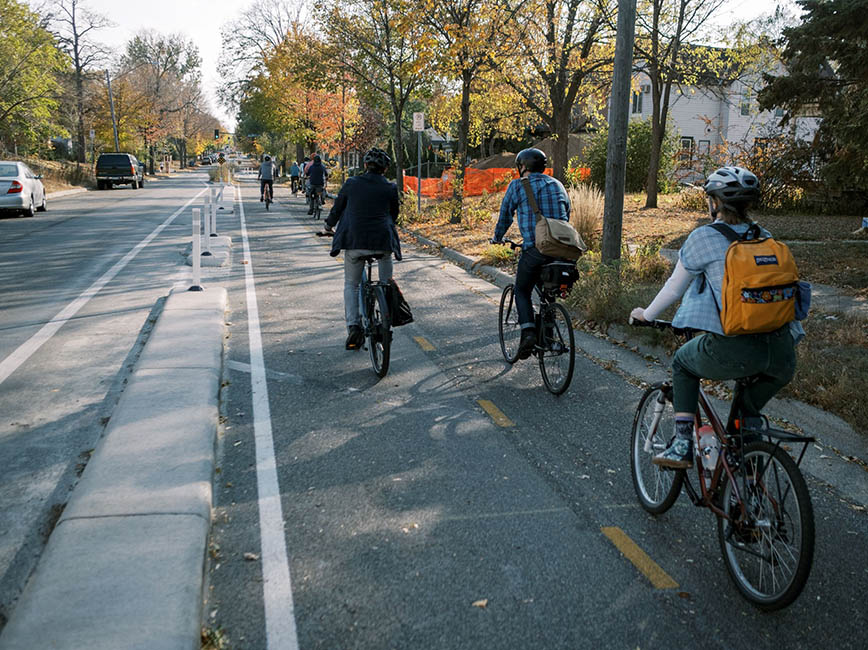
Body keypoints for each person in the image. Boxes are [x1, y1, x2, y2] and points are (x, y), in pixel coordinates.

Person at [630, 166, 803, 468]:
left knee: (683, 363)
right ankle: (748, 478)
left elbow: (673, 289)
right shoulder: (766, 238)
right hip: (781, 352)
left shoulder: (703, 238)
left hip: (733, 347)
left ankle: (682, 443)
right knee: (746, 415)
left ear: (715, 202)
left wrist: (646, 314)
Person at [490, 148, 571, 360]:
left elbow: (506, 215)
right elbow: (567, 213)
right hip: (563, 250)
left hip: (536, 249)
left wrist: (497, 237)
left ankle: (528, 332)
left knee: (521, 289)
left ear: (522, 166)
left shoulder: (518, 185)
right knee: (549, 294)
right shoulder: (558, 184)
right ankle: (549, 340)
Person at [322, 148, 401, 350]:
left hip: (355, 242)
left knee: (352, 284)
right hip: (383, 242)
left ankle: (354, 326)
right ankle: (386, 318)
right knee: (386, 283)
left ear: (365, 166)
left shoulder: (351, 183)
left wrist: (328, 225)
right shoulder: (390, 187)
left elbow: (337, 208)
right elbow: (394, 215)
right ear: (385, 169)